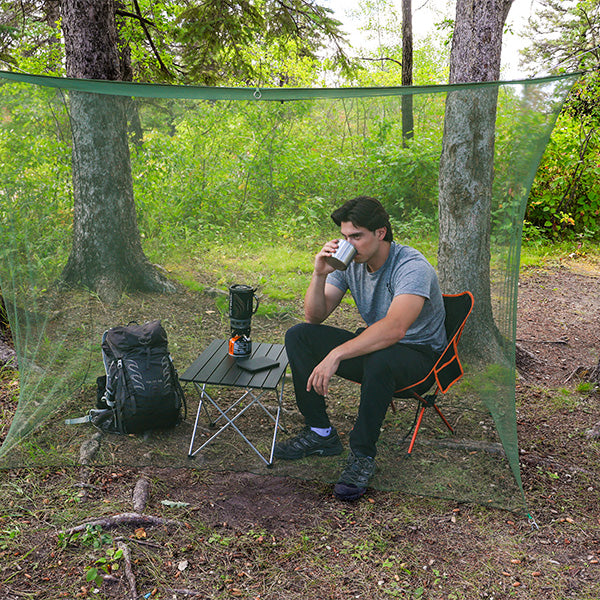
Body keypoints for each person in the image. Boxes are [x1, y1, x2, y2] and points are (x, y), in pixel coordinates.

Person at [274, 196, 447, 501]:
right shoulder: (352, 261)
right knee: (299, 335)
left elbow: (395, 329)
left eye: (356, 236)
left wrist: (337, 354)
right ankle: (320, 432)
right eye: (344, 236)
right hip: (377, 346)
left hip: (418, 358)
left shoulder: (411, 266)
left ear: (380, 233)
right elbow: (314, 316)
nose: (348, 243)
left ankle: (362, 456)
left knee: (382, 359)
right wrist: (319, 274)